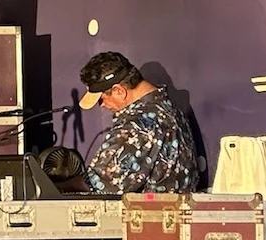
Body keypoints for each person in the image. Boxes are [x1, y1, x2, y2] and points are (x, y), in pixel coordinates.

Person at [77, 51, 199, 194]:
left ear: (119, 91)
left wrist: (56, 185)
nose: (101, 105)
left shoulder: (138, 125)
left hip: (149, 215)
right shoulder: (170, 110)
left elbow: (101, 184)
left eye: (101, 99)